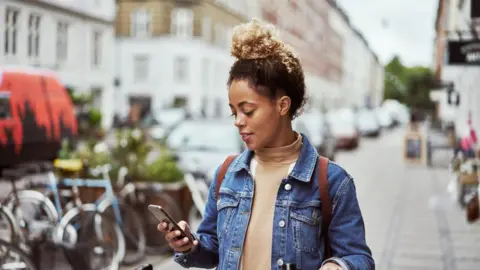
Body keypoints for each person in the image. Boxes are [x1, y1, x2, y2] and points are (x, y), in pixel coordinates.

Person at [158, 18, 374, 270]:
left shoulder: (332, 182)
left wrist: (338, 266)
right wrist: (191, 246)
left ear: (282, 105)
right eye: (233, 112)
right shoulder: (227, 174)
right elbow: (213, 249)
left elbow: (360, 259)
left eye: (248, 111)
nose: (238, 122)